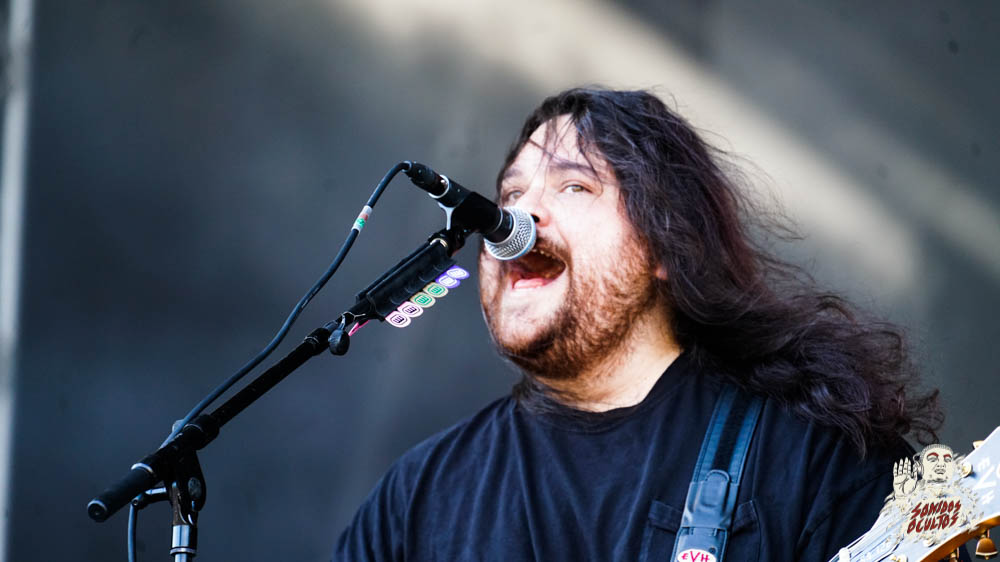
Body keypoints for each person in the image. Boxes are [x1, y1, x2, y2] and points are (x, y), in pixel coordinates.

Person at [333, 88, 946, 561]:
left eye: (574, 186)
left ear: (664, 245)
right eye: (511, 195)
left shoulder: (813, 458)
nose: (519, 217)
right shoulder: (418, 497)